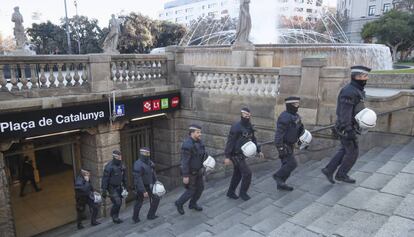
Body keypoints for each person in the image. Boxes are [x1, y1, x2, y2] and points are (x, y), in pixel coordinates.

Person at [322, 65, 371, 184]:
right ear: (357, 77)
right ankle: (341, 174)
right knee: (353, 152)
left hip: (350, 126)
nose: (366, 78)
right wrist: (349, 130)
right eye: (364, 76)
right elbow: (345, 114)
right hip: (346, 128)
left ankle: (329, 170)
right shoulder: (349, 91)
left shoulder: (356, 89)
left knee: (345, 150)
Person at [224, 108, 263, 201]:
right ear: (241, 114)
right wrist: (227, 156)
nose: (247, 116)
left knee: (237, 174)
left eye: (248, 115)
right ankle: (243, 193)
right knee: (247, 173)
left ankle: (230, 192)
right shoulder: (236, 127)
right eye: (245, 115)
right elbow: (230, 142)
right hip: (235, 154)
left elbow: (253, 139)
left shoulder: (249, 126)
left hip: (242, 154)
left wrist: (258, 150)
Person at [273, 97, 305, 191]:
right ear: (290, 105)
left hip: (291, 145)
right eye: (295, 104)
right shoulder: (284, 117)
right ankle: (277, 176)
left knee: (286, 166)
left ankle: (281, 184)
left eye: (298, 104)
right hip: (284, 145)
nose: (298, 106)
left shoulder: (296, 116)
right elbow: (279, 134)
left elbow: (300, 128)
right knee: (292, 164)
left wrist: (303, 136)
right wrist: (280, 148)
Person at [175, 124, 207, 215]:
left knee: (200, 188)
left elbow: (203, 154)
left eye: (200, 132)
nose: (200, 134)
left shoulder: (200, 142)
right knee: (191, 190)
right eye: (198, 132)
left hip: (199, 171)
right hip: (190, 173)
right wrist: (185, 175)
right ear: (192, 133)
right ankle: (179, 203)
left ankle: (192, 204)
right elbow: (184, 162)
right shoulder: (187, 145)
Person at [132, 147, 160, 223]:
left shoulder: (150, 162)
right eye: (146, 153)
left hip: (150, 185)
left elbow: (153, 173)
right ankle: (135, 217)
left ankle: (151, 215)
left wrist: (156, 181)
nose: (148, 155)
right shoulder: (137, 164)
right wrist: (143, 191)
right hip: (141, 187)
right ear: (142, 154)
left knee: (156, 198)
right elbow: (138, 179)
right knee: (139, 202)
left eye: (148, 153)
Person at [101, 150, 128, 224]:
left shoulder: (122, 164)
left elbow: (124, 176)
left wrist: (126, 186)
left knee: (119, 202)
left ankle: (116, 216)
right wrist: (104, 190)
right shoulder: (109, 166)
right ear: (114, 157)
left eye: (120, 156)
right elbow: (105, 179)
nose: (120, 158)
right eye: (118, 156)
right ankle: (113, 215)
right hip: (111, 187)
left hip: (119, 186)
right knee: (117, 202)